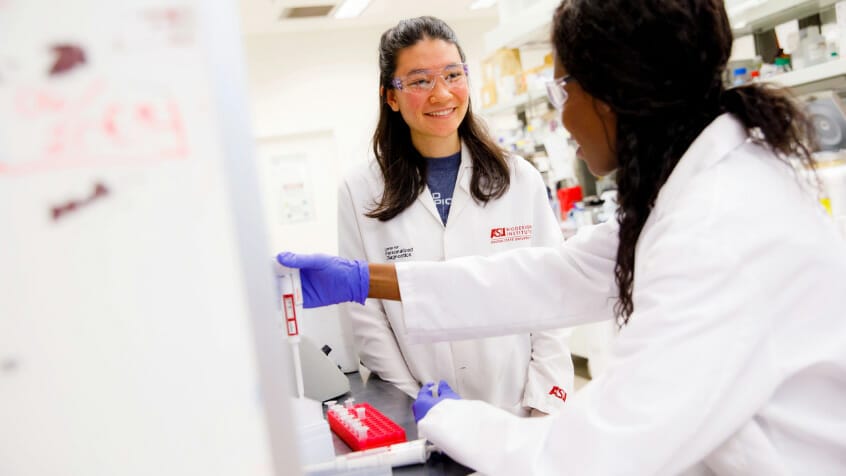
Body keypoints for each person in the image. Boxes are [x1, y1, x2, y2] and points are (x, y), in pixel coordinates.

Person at [277, 0, 846, 474]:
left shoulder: (719, 228)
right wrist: (362, 279)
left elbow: (599, 451)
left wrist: (456, 419)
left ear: (613, 93)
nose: (564, 119)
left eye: (563, 90)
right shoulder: (690, 195)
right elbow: (551, 274)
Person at [337, 16, 575, 417]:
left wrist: (542, 403)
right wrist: (416, 403)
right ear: (390, 96)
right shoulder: (360, 191)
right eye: (419, 81)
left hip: (520, 409)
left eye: (452, 74)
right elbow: (367, 318)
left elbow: (555, 295)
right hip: (424, 415)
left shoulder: (520, 179)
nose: (442, 93)